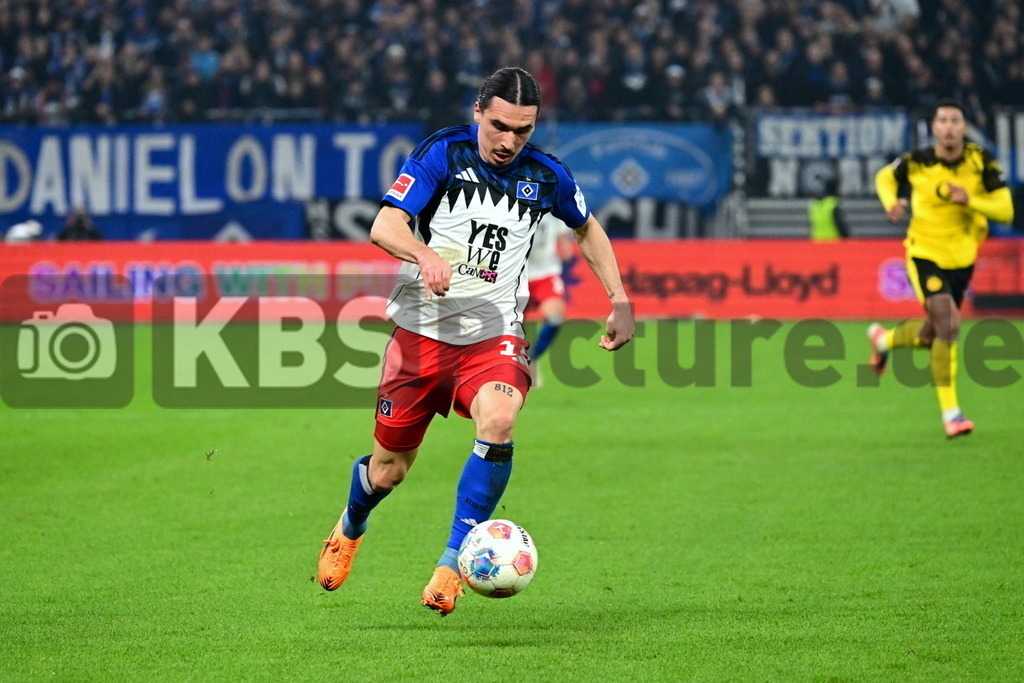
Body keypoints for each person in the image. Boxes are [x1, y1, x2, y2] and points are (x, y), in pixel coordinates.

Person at [316, 67, 635, 615]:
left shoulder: (547, 175)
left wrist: (619, 298)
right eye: (499, 126)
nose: (509, 141)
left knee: (500, 420)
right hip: (420, 335)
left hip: (493, 333)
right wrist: (423, 253)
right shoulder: (443, 153)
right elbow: (385, 225)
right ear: (478, 112)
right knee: (388, 470)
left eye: (523, 130)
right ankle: (351, 525)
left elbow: (586, 227)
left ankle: (452, 562)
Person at [870, 98, 1013, 438]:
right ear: (934, 128)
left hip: (962, 259)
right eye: (943, 121)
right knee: (949, 324)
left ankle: (884, 340)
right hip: (924, 253)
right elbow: (884, 177)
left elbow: (1006, 209)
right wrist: (891, 203)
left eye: (955, 121)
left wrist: (971, 200)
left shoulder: (980, 161)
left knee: (931, 335)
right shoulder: (917, 162)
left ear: (965, 127)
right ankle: (952, 414)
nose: (948, 127)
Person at [526, 214, 576, 386]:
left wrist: (565, 245)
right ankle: (514, 364)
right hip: (517, 275)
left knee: (555, 319)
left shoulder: (553, 206)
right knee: (513, 326)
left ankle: (532, 358)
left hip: (546, 273)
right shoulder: (512, 202)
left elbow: (564, 238)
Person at [807, 177, 850, 241]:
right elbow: (841, 226)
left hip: (817, 243)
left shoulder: (814, 205)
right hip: (833, 243)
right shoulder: (833, 204)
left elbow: (810, 226)